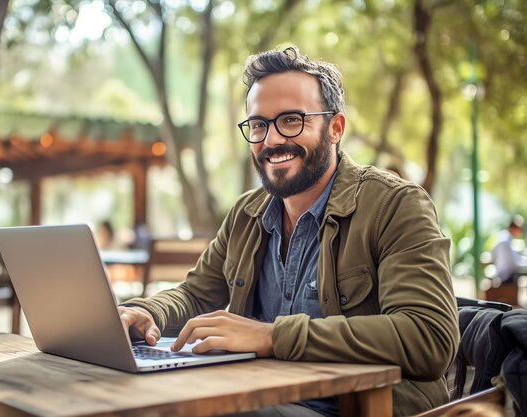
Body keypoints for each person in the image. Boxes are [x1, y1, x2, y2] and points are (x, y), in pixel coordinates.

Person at [118, 46, 459, 417]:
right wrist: (145, 312)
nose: (272, 140)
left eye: (292, 120)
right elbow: (196, 295)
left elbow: (430, 338)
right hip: (261, 397)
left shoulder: (394, 206)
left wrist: (272, 336)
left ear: (335, 128)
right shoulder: (246, 214)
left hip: (356, 407)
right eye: (259, 124)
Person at [492, 215, 527, 283]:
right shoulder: (506, 240)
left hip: (502, 274)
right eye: (519, 229)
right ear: (515, 228)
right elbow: (514, 263)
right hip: (505, 276)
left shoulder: (504, 237)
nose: (520, 231)